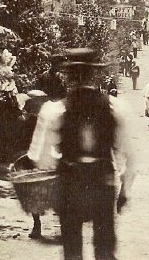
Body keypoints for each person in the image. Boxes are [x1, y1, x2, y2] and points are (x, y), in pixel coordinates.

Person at [57, 48, 136, 260]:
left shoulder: (56, 110)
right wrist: (125, 190)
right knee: (104, 246)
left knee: (72, 245)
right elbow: (129, 154)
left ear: (70, 76)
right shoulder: (115, 107)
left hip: (71, 182)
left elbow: (42, 156)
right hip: (102, 181)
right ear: (94, 74)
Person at [24, 52, 68, 239]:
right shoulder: (60, 80)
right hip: (50, 129)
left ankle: (38, 225)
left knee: (40, 182)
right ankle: (42, 225)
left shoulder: (46, 78)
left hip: (47, 129)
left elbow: (33, 98)